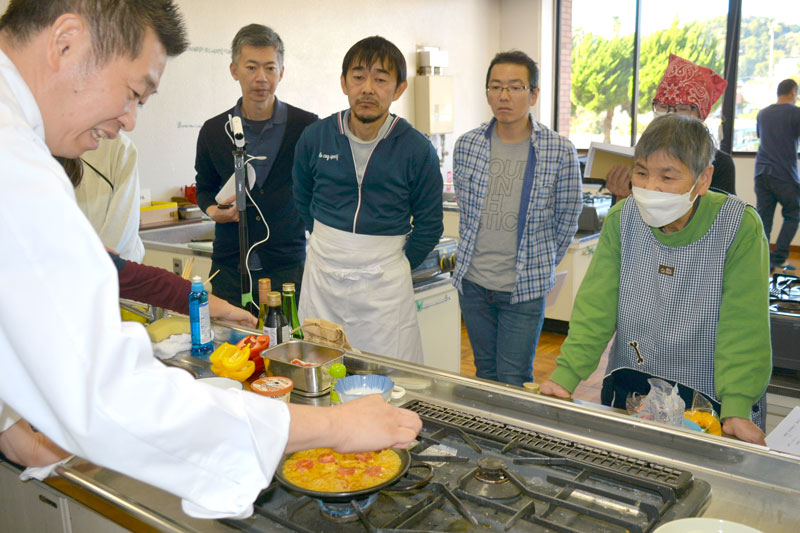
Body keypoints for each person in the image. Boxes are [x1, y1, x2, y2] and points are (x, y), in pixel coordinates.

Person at [0, 0, 421, 519]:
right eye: (134, 92)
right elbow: (113, 395)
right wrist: (332, 427)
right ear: (65, 43)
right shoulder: (13, 163)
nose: (129, 120)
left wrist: (10, 430)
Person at [541, 114, 771, 446]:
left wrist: (736, 405)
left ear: (703, 179)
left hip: (710, 396)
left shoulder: (738, 226)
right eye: (642, 173)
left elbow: (744, 324)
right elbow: (596, 307)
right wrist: (566, 377)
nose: (650, 188)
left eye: (668, 176)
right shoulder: (623, 219)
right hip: (632, 383)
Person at [292, 36, 443, 364]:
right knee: (317, 364)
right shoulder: (316, 137)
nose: (368, 88)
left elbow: (430, 224)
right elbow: (302, 198)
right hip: (323, 273)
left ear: (398, 89)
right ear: (344, 82)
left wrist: (394, 265)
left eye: (381, 79)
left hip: (384, 282)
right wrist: (331, 242)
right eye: (358, 77)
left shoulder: (416, 149)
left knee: (385, 372)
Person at [452, 51, 582, 387]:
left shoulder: (558, 149)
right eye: (495, 87)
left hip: (524, 289)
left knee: (513, 378)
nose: (504, 96)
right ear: (487, 94)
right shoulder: (468, 145)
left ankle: (511, 439)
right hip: (474, 285)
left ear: (533, 94)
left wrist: (541, 264)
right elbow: (468, 214)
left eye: (514, 87)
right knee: (484, 374)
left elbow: (568, 217)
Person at [195, 24, 317, 312]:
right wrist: (213, 211)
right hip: (229, 269)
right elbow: (204, 188)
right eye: (251, 67)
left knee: (285, 350)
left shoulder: (307, 127)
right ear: (234, 70)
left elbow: (322, 190)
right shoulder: (214, 130)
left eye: (270, 68)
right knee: (232, 351)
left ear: (282, 72)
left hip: (287, 269)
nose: (261, 78)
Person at [606, 54, 736, 198]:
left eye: (682, 108)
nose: (669, 115)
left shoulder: (721, 164)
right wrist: (621, 196)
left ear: (700, 115)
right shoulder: (642, 155)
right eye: (662, 106)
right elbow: (621, 218)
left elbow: (718, 213)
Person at [74, 132, 145, 261]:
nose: (129, 123)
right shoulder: (42, 145)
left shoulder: (119, 147)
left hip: (112, 267)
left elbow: (122, 222)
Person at [754, 78, 800, 272]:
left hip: (761, 172)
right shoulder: (796, 113)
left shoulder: (762, 113)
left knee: (763, 218)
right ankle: (779, 258)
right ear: (792, 92)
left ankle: (761, 261)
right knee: (793, 213)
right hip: (784, 174)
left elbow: (761, 136)